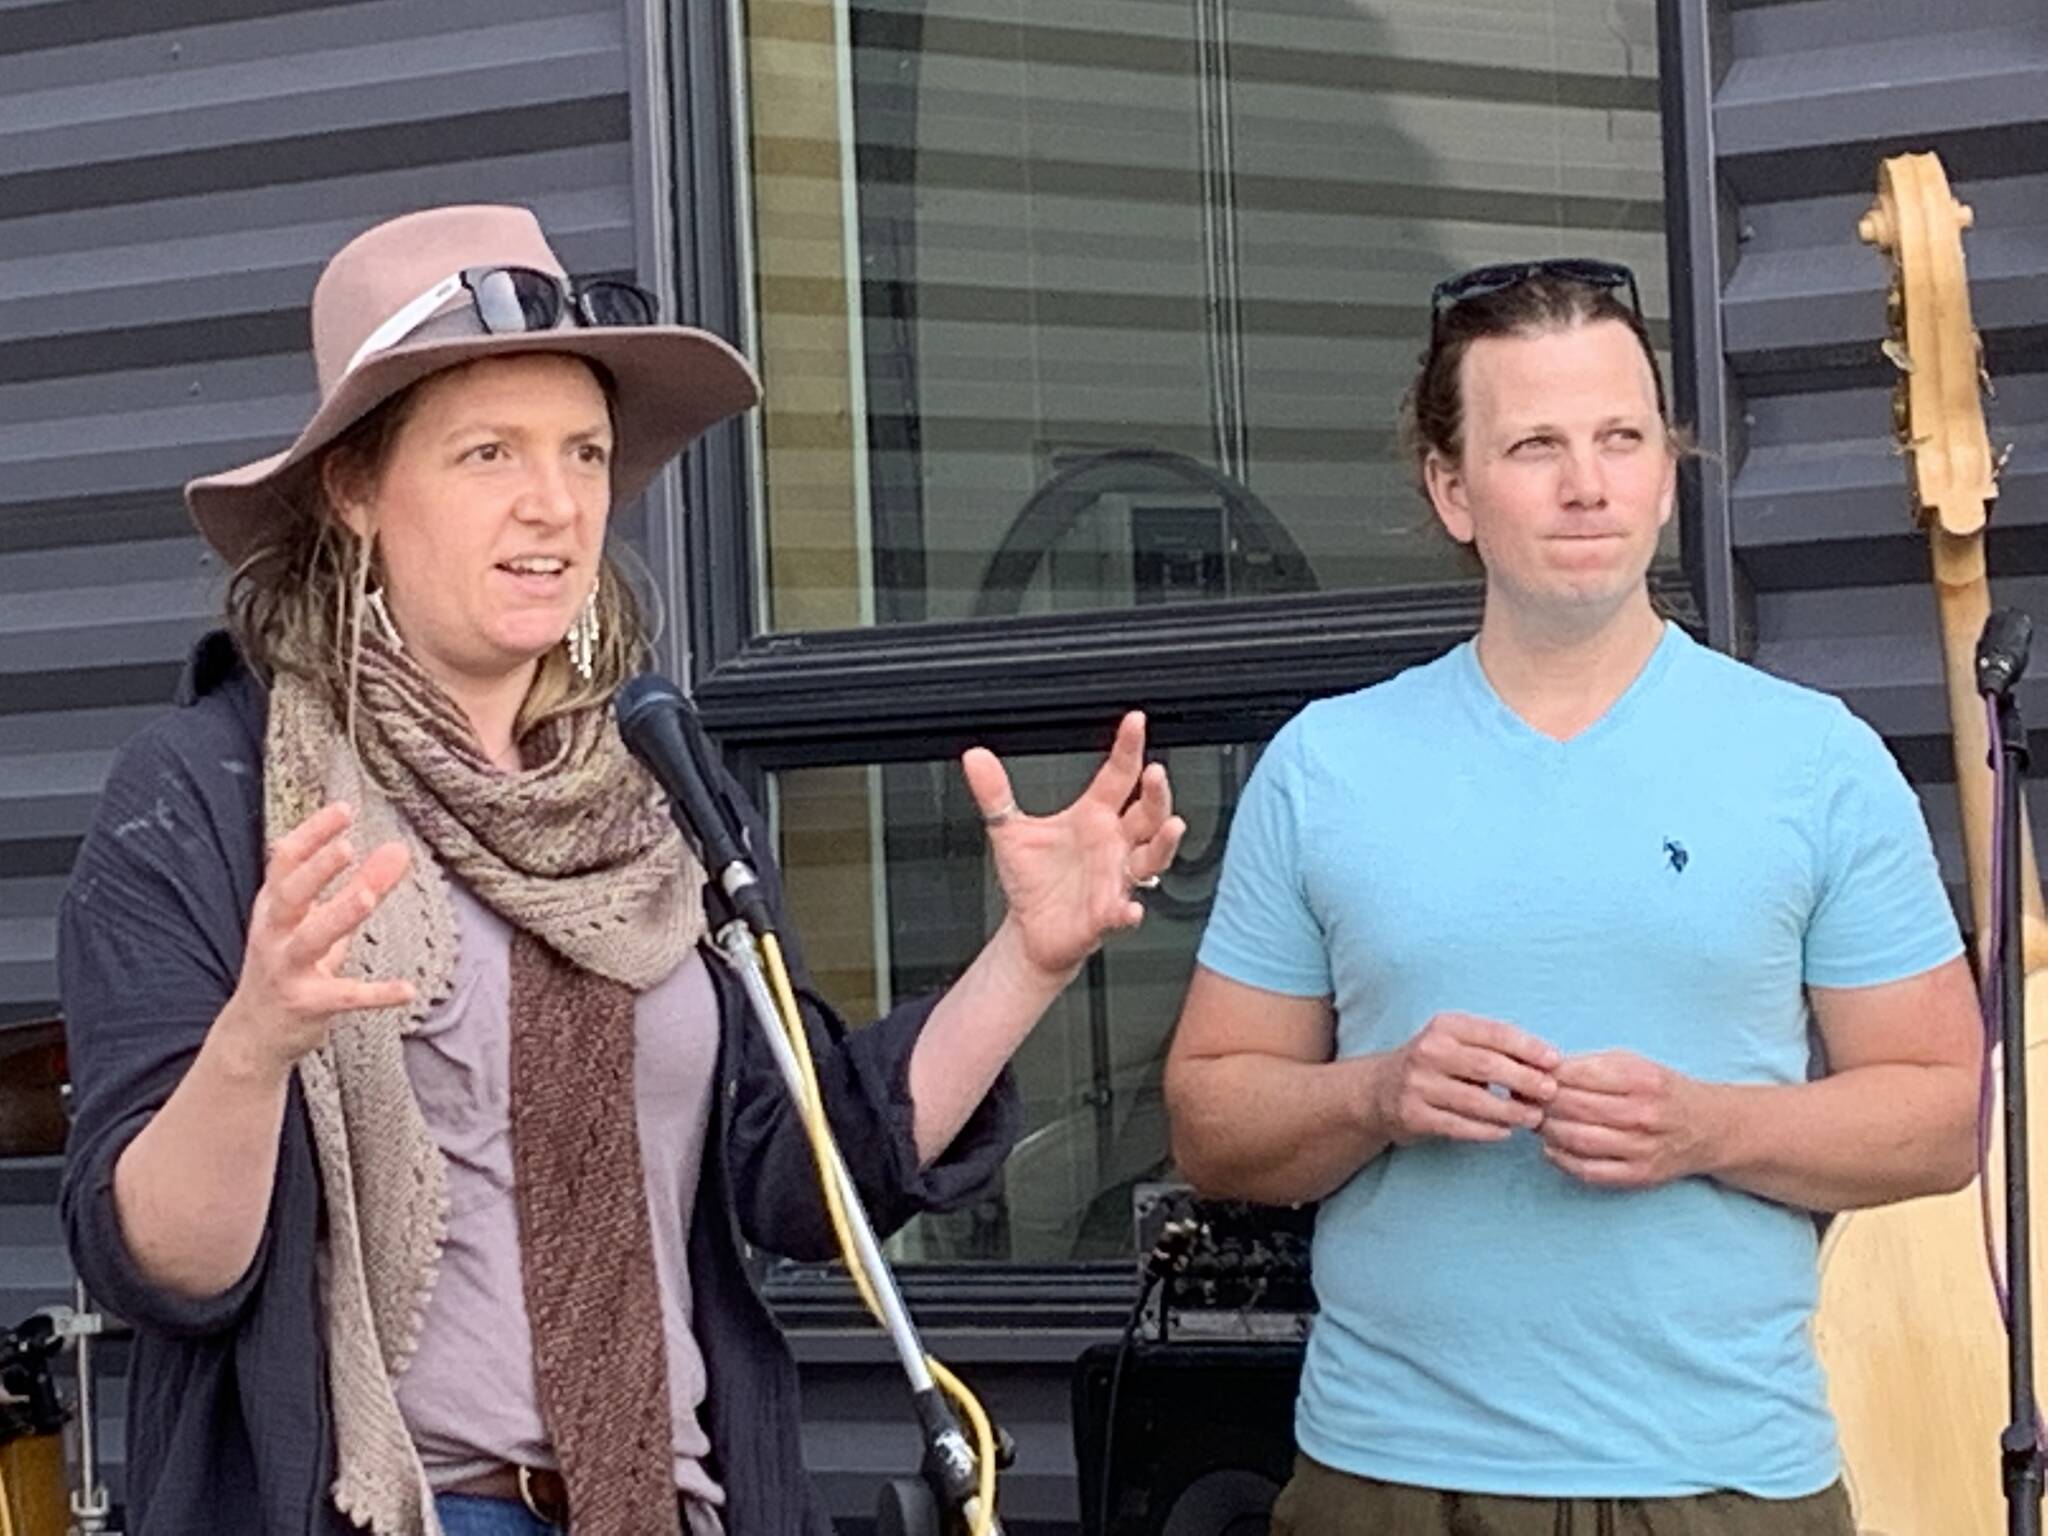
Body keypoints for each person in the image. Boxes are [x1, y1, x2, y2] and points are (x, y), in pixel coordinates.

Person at [57, 204, 1185, 1536]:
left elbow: (795, 1175)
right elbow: (163, 1269)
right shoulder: (213, 792)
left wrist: (1029, 955)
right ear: (353, 490)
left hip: (671, 1504)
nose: (554, 503)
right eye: (488, 452)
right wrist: (254, 1046)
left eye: (583, 452)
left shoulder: (653, 781)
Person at [1163, 258, 1980, 1536]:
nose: (1586, 483)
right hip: (1389, 1480)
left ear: (1665, 469)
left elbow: (1940, 1116)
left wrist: (1706, 1128)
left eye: (1620, 438)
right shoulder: (1328, 766)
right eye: (1533, 445)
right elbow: (1209, 1120)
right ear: (1451, 490)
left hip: (1719, 1481)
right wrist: (1372, 1095)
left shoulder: (1812, 760)